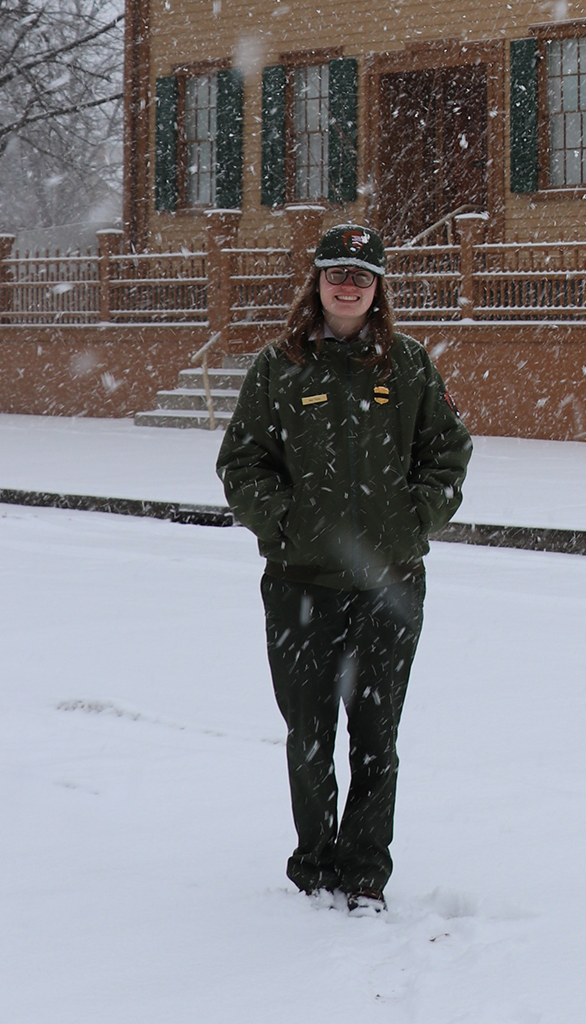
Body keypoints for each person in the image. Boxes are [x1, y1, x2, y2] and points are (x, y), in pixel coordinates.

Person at [216, 223, 471, 912]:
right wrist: (287, 524)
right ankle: (315, 863)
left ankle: (363, 872)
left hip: (389, 586)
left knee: (376, 739)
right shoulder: (280, 367)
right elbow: (242, 463)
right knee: (309, 735)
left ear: (378, 287)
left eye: (361, 276)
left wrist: (413, 522)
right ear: (318, 282)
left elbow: (448, 453)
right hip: (301, 586)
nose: (348, 286)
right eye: (337, 273)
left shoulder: (409, 365)